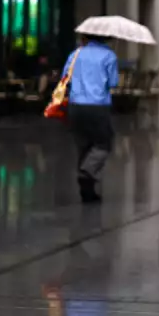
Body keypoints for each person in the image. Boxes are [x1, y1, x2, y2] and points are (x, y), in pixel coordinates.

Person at [62, 35, 120, 203]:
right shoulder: (108, 56)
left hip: (75, 106)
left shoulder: (75, 55)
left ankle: (87, 191)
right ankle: (87, 172)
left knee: (83, 146)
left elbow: (65, 78)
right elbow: (113, 83)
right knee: (103, 144)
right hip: (97, 106)